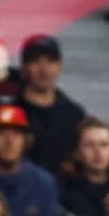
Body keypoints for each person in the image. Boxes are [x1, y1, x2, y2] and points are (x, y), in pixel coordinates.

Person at [16, 35, 87, 179]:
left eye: (50, 62)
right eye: (35, 62)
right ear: (23, 67)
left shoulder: (74, 114)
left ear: (60, 65)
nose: (44, 69)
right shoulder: (12, 114)